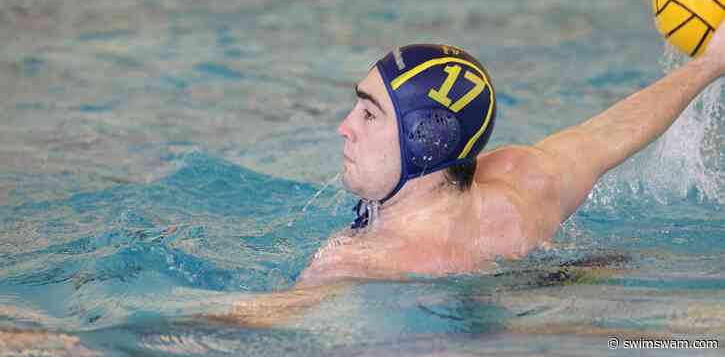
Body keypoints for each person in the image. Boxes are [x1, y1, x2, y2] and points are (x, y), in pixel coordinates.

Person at [209, 22, 725, 326]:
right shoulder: (524, 184)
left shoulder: (353, 261)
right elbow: (615, 130)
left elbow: (252, 326)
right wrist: (709, 64)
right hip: (573, 286)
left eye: (369, 114)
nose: (345, 128)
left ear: (424, 139)